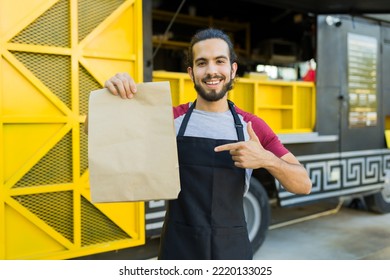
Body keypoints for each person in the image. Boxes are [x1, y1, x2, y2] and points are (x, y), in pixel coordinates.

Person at [99, 28, 312, 260]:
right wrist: (111, 97)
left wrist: (266, 159)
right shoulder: (171, 119)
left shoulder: (252, 126)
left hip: (231, 251)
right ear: (191, 73)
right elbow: (98, 130)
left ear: (232, 69)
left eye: (219, 61)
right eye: (202, 63)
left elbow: (303, 185)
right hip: (179, 248)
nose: (211, 71)